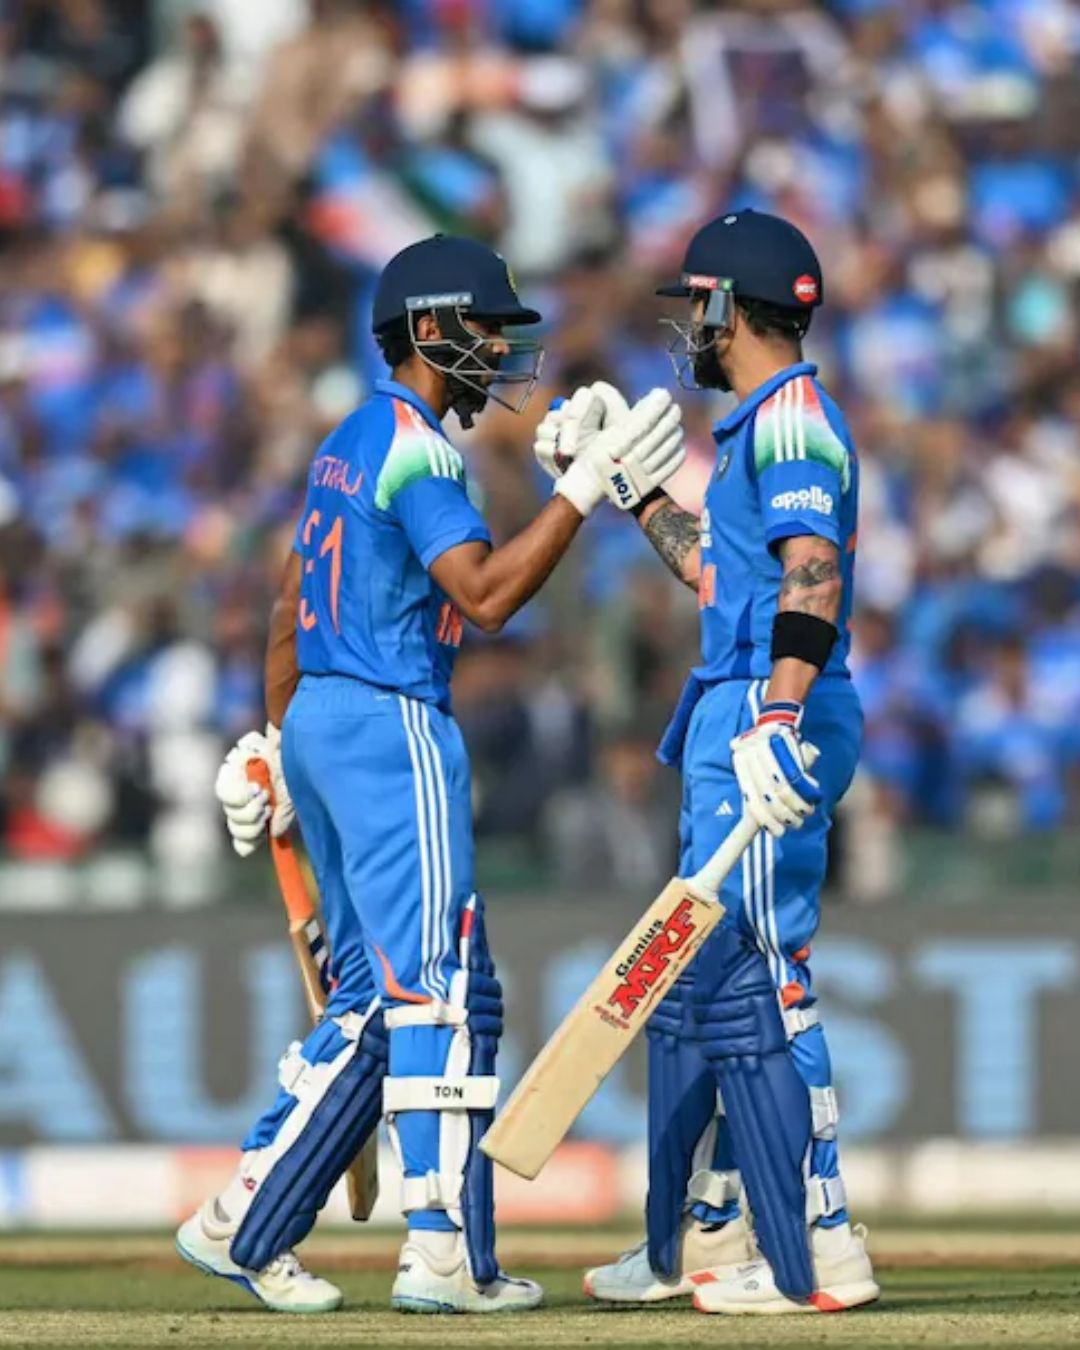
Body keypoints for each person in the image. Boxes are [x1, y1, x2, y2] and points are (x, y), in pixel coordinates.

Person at [175, 233, 685, 1314]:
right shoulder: (417, 448)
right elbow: (485, 596)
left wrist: (279, 741)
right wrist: (586, 491)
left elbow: (287, 604)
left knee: (382, 997)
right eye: (487, 330)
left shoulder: (349, 440)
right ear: (431, 329)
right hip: (389, 717)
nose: (500, 351)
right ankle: (437, 1249)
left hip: (324, 717)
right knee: (435, 989)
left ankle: (245, 1217)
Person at [540, 210, 879, 1314]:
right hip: (736, 702)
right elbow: (718, 575)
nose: (689, 325)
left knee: (768, 980)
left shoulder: (791, 420)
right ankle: (720, 1227)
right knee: (710, 986)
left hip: (770, 708)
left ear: (733, 305)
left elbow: (813, 572)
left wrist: (779, 714)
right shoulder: (755, 428)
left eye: (697, 304)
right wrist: (633, 495)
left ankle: (821, 1238)